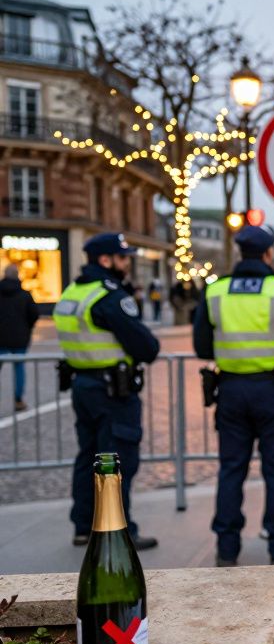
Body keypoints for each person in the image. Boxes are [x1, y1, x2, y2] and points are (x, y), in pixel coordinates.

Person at [193, 226, 274, 567]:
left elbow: (202, 346)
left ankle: (227, 549)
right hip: (271, 391)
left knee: (231, 468)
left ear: (238, 253)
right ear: (268, 254)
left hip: (229, 390)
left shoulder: (216, 291)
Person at [54, 233, 161, 550]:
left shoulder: (74, 291)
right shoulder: (109, 296)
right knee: (116, 461)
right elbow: (146, 346)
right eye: (122, 257)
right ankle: (119, 532)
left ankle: (83, 526)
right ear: (106, 260)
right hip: (113, 391)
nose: (127, 262)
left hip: (83, 385)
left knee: (88, 457)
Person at [0, 265, 40, 412]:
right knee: (19, 368)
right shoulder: (25, 294)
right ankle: (18, 399)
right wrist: (26, 327)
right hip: (19, 338)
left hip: (1, 338)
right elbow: (34, 315)